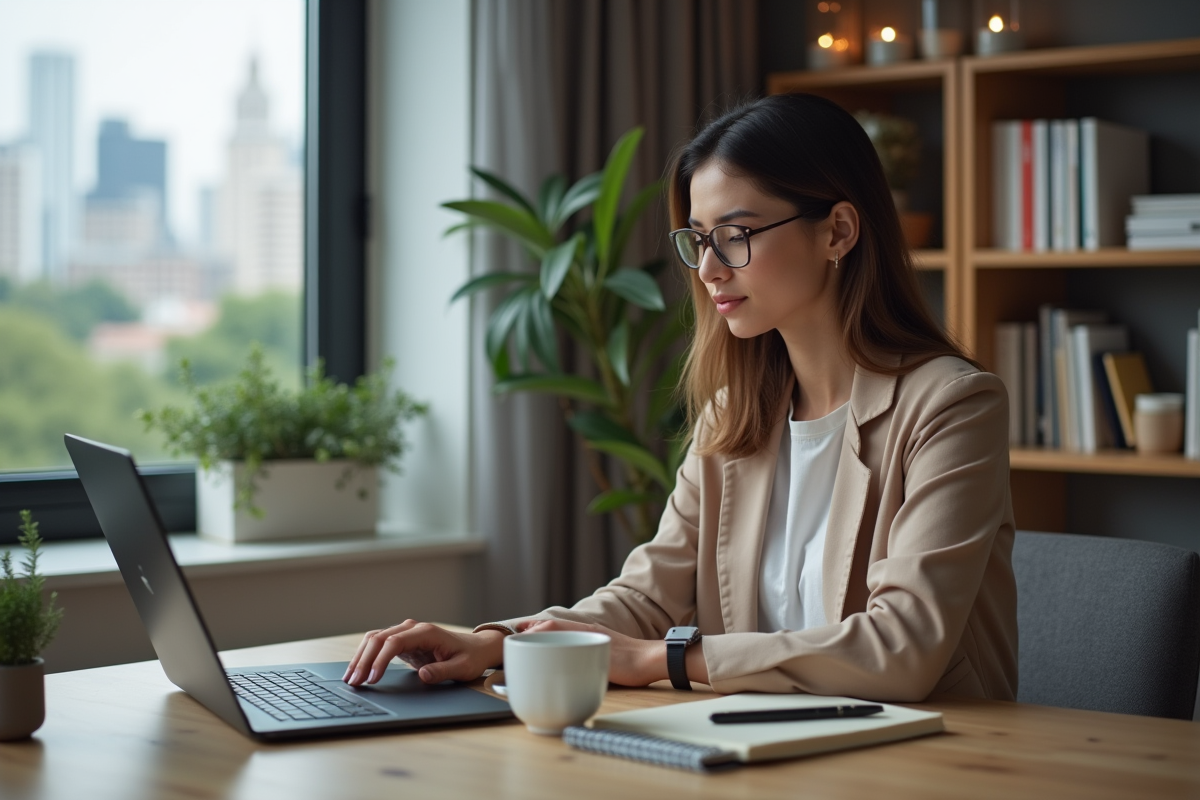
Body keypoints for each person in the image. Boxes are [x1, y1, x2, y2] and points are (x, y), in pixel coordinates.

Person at [344, 93, 1018, 702]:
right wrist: (501, 642)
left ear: (838, 231)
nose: (709, 269)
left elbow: (901, 649)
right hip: (768, 755)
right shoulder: (736, 413)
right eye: (698, 240)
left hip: (931, 760)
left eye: (736, 235)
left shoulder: (952, 407)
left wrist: (659, 661)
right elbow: (647, 595)